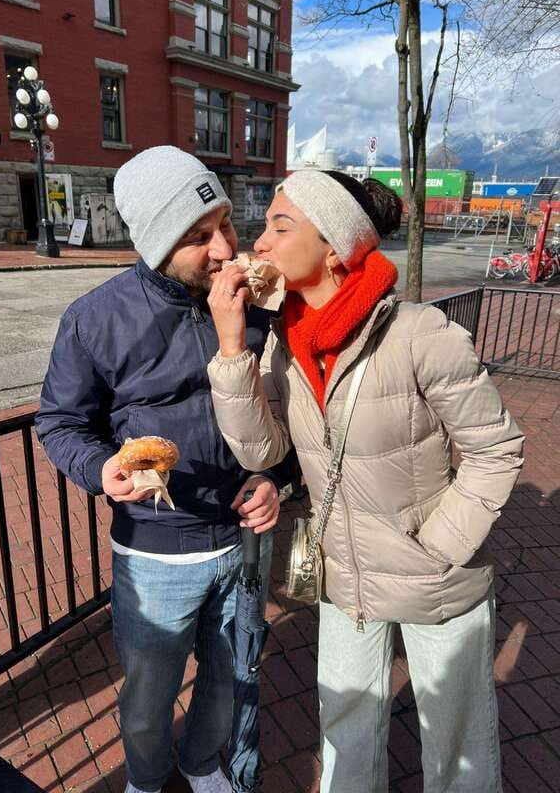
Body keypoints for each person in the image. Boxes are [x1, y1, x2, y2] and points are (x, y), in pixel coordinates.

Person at [206, 170, 525, 793]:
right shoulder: (285, 343)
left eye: (280, 225)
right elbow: (261, 448)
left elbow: (496, 449)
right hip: (342, 573)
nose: (259, 243)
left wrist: (436, 547)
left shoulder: (419, 336)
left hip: (434, 574)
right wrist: (229, 348)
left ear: (334, 247)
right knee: (345, 728)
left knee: (456, 745)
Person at [35, 146, 283, 793]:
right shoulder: (95, 320)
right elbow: (60, 422)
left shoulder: (256, 305)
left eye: (226, 224)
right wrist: (99, 467)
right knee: (148, 696)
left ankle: (202, 763)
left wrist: (276, 480)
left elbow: (288, 413)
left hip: (241, 540)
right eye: (200, 237)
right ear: (154, 243)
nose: (226, 248)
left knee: (228, 679)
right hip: (154, 554)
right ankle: (145, 780)